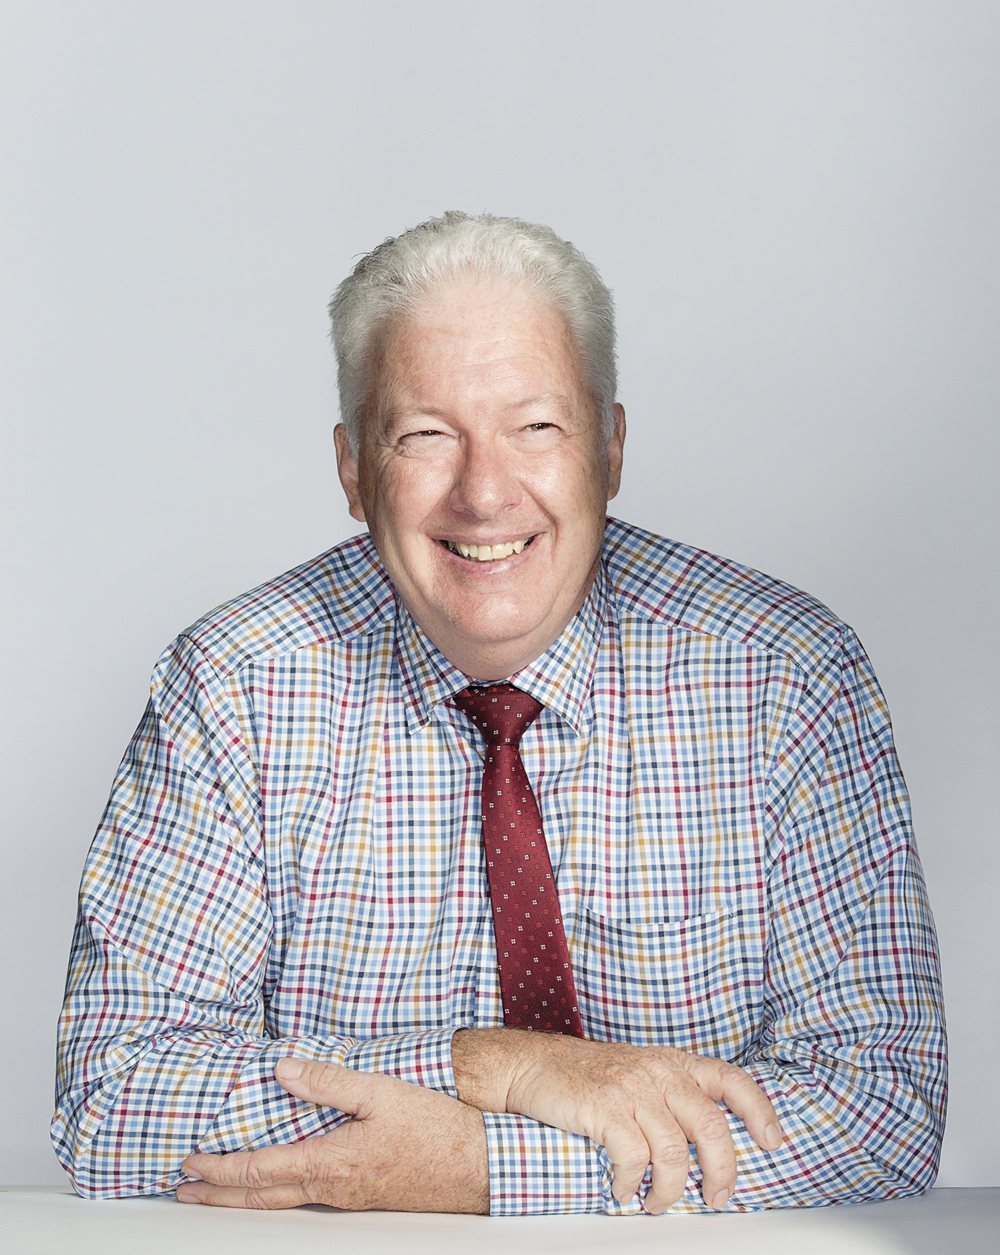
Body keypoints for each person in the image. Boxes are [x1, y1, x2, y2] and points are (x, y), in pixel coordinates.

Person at [52, 212, 946, 1216]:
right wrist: (495, 1066)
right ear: (353, 470)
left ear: (608, 449)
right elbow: (112, 1097)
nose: (483, 492)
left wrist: (480, 1164)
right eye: (425, 435)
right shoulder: (233, 685)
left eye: (536, 427)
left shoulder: (786, 675)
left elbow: (880, 1106)